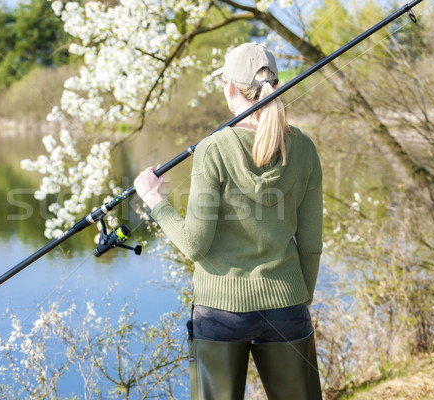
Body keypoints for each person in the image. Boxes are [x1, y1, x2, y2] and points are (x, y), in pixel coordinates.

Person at [133, 43, 323, 399]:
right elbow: (311, 243)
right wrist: (299, 298)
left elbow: (194, 244)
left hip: (220, 312)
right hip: (287, 307)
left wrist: (153, 199)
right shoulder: (305, 148)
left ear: (231, 88)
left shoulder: (214, 148)